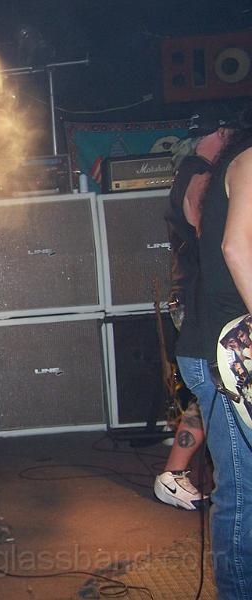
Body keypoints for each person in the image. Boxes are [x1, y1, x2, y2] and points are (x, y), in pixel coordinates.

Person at [155, 114, 233, 510]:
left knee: (212, 391)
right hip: (201, 299)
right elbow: (211, 236)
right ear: (220, 133)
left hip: (194, 295)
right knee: (217, 386)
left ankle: (174, 473)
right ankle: (176, 473)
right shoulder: (200, 175)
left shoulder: (190, 171)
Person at [191, 104, 252, 599]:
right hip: (225, 350)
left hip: (227, 343)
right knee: (242, 489)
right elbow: (236, 248)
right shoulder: (250, 159)